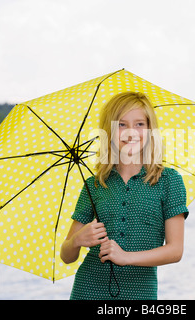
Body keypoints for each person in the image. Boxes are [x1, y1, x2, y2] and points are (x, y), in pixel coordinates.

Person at [60, 92, 188, 300]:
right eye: (121, 125)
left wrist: (126, 257)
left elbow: (175, 251)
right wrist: (76, 240)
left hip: (140, 294)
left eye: (139, 124)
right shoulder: (94, 184)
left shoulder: (168, 181)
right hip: (88, 291)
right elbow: (66, 256)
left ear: (150, 130)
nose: (131, 133)